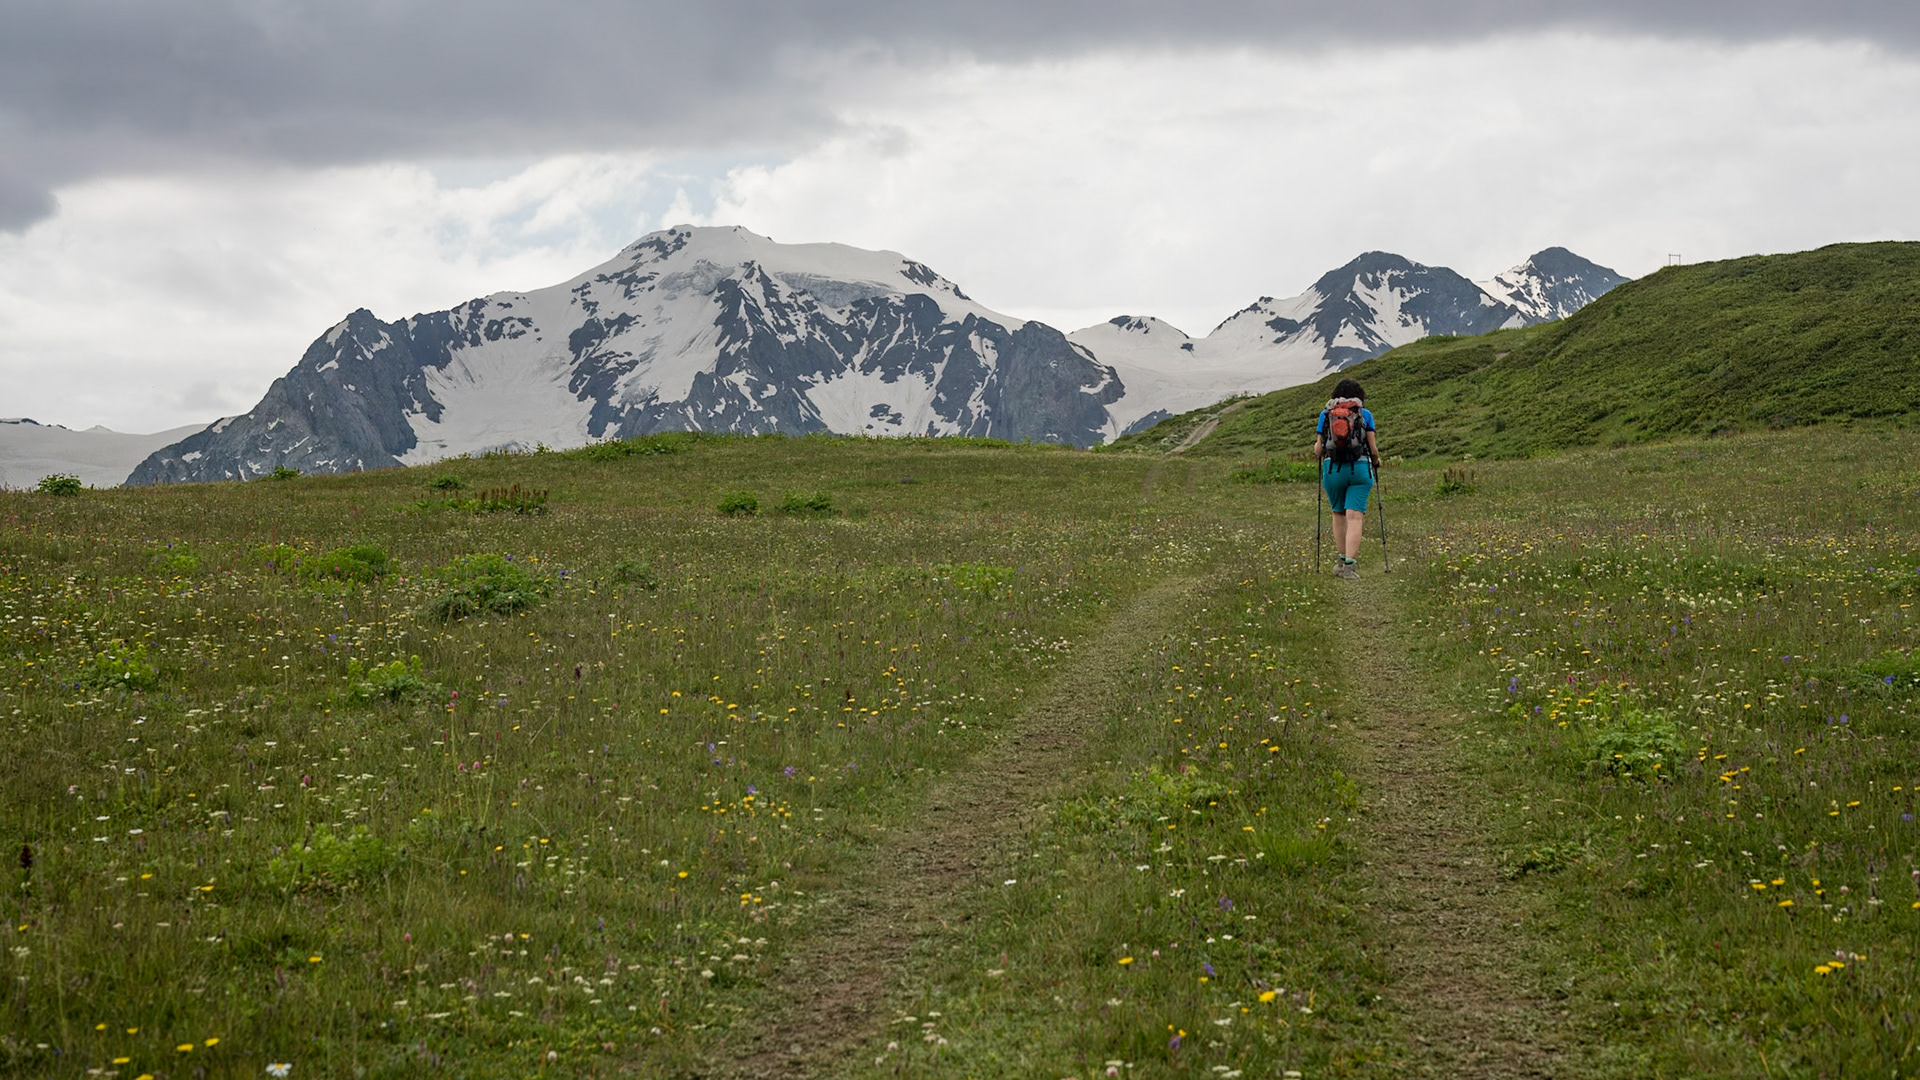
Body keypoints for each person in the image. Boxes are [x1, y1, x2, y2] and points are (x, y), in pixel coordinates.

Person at [1314, 377, 1380, 580]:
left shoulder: (1325, 415)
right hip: (1360, 468)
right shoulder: (1365, 414)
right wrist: (1376, 461)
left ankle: (1341, 561)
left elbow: (1318, 450)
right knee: (1355, 517)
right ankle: (1350, 567)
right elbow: (1373, 448)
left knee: (1338, 514)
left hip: (1333, 470)